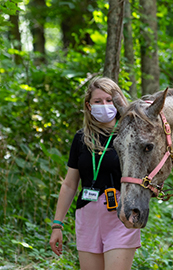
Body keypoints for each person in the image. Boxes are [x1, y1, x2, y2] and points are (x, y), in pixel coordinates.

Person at [49, 77, 141, 270]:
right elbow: (69, 184)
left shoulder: (130, 136)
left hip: (120, 215)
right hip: (87, 216)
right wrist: (57, 225)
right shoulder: (81, 138)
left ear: (118, 102)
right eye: (98, 101)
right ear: (89, 106)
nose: (104, 105)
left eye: (109, 100)